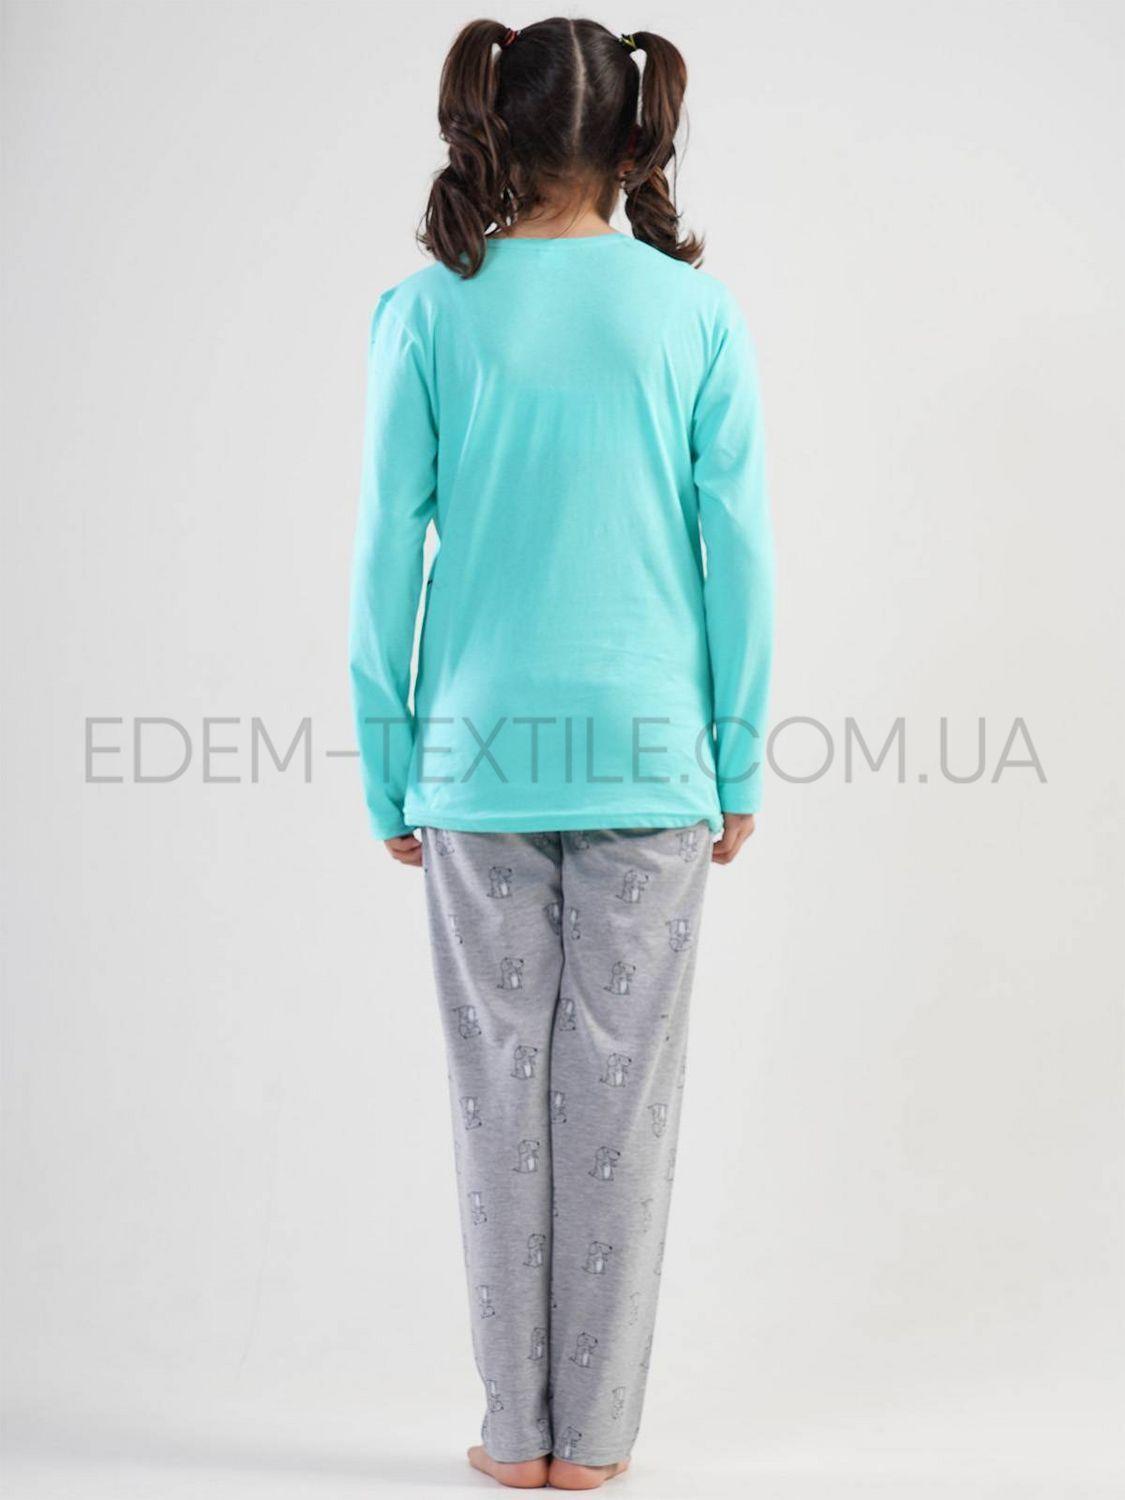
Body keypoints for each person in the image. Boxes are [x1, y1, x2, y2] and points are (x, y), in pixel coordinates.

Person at [349, 17, 773, 1490]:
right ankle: (589, 1445)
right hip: (653, 758)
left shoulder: (424, 313)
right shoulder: (695, 315)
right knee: (619, 1102)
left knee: (497, 1098)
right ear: (637, 140)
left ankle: (513, 1434)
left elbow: (382, 556)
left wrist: (386, 761)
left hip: (474, 762)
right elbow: (738, 554)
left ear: (495, 131)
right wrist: (736, 762)